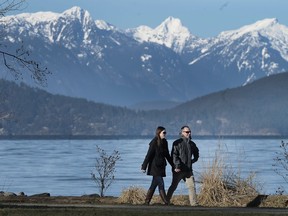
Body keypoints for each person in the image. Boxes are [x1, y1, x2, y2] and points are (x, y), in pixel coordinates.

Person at [166, 125, 199, 206]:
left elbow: (196, 153)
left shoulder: (192, 143)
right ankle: (166, 201)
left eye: (190, 131)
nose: (189, 133)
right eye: (187, 132)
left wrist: (194, 160)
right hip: (179, 170)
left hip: (188, 170)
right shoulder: (177, 143)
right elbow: (174, 155)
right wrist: (177, 166)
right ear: (182, 133)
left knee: (192, 187)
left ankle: (194, 204)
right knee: (173, 186)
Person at [141, 126, 173, 205]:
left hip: (161, 166)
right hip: (154, 167)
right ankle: (166, 202)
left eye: (165, 133)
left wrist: (173, 165)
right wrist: (144, 166)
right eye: (163, 133)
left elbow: (167, 155)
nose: (165, 134)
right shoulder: (154, 142)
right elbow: (148, 155)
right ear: (159, 133)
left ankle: (147, 201)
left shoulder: (165, 142)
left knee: (154, 184)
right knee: (161, 183)